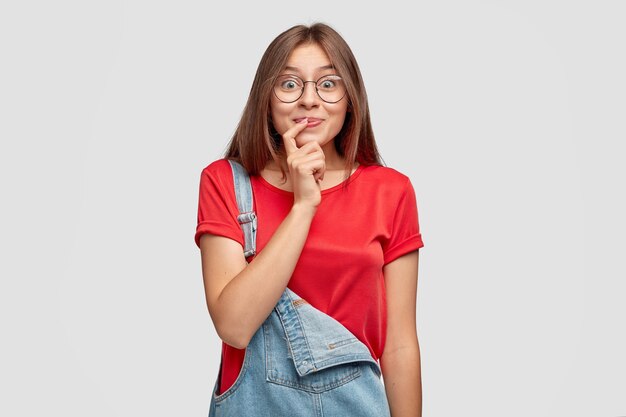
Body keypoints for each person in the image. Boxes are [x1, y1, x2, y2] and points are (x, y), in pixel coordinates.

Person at [195, 23, 424, 416]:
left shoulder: (391, 191)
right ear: (266, 99)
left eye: (328, 84)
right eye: (289, 84)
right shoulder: (225, 183)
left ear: (350, 99)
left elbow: (399, 344)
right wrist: (303, 206)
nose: (309, 101)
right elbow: (234, 325)